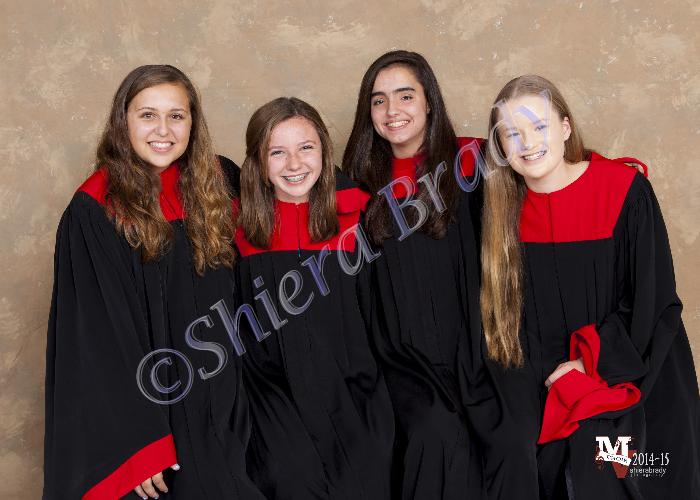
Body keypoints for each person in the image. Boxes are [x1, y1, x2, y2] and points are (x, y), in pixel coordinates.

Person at [43, 65, 263, 499]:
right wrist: (139, 443)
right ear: (122, 121)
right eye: (147, 115)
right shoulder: (96, 208)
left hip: (225, 398)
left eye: (176, 115)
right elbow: (98, 339)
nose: (163, 130)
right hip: (153, 412)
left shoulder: (220, 181)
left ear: (193, 122)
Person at [480, 74, 700, 499]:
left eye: (539, 126)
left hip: (625, 366)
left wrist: (588, 363)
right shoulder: (499, 211)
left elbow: (652, 301)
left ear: (565, 128)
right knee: (512, 448)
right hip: (540, 375)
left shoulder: (622, 191)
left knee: (597, 456)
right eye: (512, 133)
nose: (528, 143)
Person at [343, 50, 538, 500]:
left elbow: (544, 162)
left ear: (429, 101)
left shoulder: (472, 164)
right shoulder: (358, 186)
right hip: (402, 359)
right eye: (378, 100)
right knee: (435, 435)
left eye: (405, 96)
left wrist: (599, 169)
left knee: (512, 439)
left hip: (479, 347)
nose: (392, 111)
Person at [234, 96, 394, 499]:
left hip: (352, 388)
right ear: (257, 162)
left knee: (364, 477)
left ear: (324, 150)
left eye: (306, 147)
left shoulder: (361, 217)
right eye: (277, 152)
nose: (294, 164)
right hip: (272, 395)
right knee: (290, 478)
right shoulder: (236, 229)